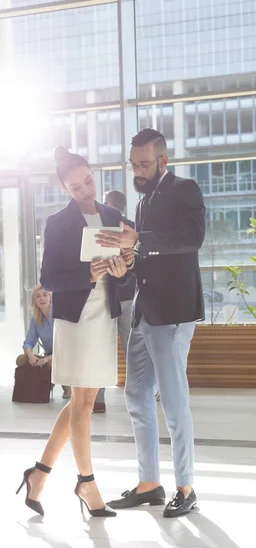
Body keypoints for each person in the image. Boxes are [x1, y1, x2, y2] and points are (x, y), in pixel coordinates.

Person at [16, 147, 133, 518]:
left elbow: (129, 268)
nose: (85, 190)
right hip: (76, 320)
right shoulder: (59, 222)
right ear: (64, 188)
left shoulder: (113, 216)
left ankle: (40, 473)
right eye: (75, 186)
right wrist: (89, 273)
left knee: (80, 403)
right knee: (82, 404)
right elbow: (48, 278)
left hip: (104, 317)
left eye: (88, 181)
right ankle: (87, 482)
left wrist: (123, 267)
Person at [97, 128, 205, 518]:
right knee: (137, 395)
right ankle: (149, 483)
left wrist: (138, 241)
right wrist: (125, 264)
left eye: (144, 164)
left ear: (163, 161)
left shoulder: (185, 190)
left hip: (174, 313)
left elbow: (192, 237)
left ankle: (186, 486)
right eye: (133, 165)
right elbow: (143, 261)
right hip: (144, 311)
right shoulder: (142, 205)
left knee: (174, 403)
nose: (138, 172)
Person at [93, 190, 136, 414]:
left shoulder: (100, 229)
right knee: (132, 349)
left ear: (108, 204)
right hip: (128, 295)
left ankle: (98, 398)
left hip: (107, 295)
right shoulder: (132, 228)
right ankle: (141, 393)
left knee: (102, 347)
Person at [16, 284, 71, 399]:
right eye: (38, 296)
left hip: (65, 355)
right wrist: (31, 356)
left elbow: (66, 345)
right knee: (21, 359)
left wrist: (47, 359)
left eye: (45, 295)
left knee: (50, 363)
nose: (41, 298)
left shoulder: (60, 315)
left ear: (51, 298)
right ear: (34, 301)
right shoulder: (35, 319)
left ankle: (66, 386)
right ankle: (42, 385)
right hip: (48, 355)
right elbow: (28, 342)